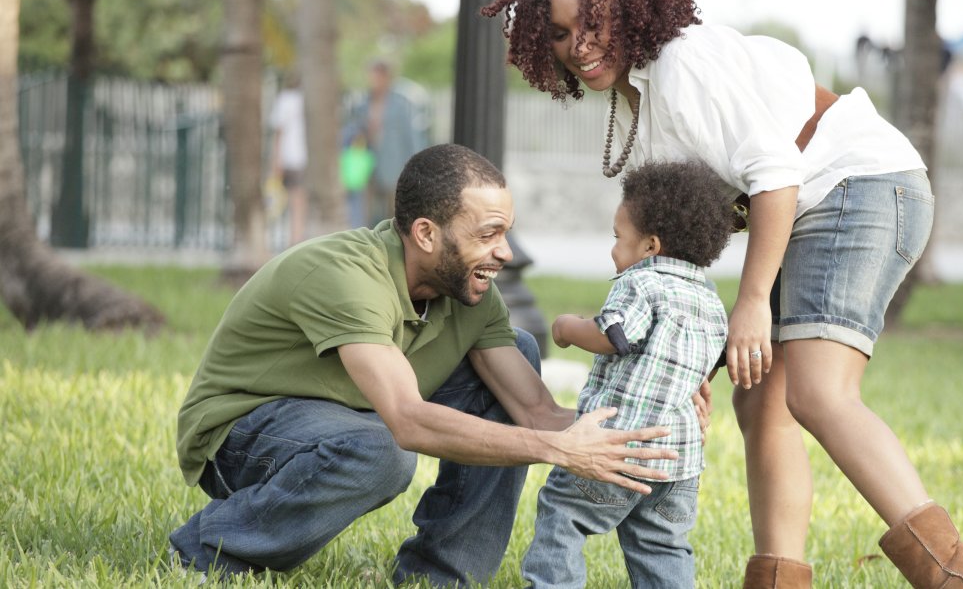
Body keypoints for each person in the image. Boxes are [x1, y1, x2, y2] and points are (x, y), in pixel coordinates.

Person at [484, 0, 963, 588]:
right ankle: (777, 581)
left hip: (857, 186)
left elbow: (776, 173)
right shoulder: (642, 97)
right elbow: (674, 258)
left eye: (592, 23)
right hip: (818, 202)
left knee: (817, 391)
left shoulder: (681, 64)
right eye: (563, 34)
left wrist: (754, 299)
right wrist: (682, 366)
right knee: (760, 398)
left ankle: (956, 573)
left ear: (628, 8)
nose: (580, 46)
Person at [169, 143, 683, 587]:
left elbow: (537, 413)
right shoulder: (345, 275)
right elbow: (408, 421)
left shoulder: (472, 296)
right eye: (488, 233)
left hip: (352, 416)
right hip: (242, 434)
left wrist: (659, 425)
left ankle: (442, 576)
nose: (504, 252)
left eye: (507, 233)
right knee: (382, 452)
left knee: (519, 351)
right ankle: (209, 549)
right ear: (425, 233)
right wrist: (557, 450)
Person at [521, 161, 731, 588]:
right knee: (662, 545)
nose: (614, 251)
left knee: (563, 516)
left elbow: (612, 335)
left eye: (618, 239)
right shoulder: (711, 301)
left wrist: (567, 327)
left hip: (615, 446)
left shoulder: (641, 284)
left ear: (650, 246)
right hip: (678, 464)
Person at [341, 60, 430, 228]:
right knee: (367, 212)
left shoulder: (401, 105)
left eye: (377, 76)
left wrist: (417, 165)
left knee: (393, 211)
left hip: (395, 166)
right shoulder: (362, 104)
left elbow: (412, 137)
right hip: (368, 165)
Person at [268, 73, 307, 245]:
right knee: (295, 201)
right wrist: (277, 160)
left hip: (297, 157)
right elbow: (279, 132)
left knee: (297, 201)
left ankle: (296, 238)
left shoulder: (292, 99)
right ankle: (295, 239)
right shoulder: (288, 99)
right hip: (293, 157)